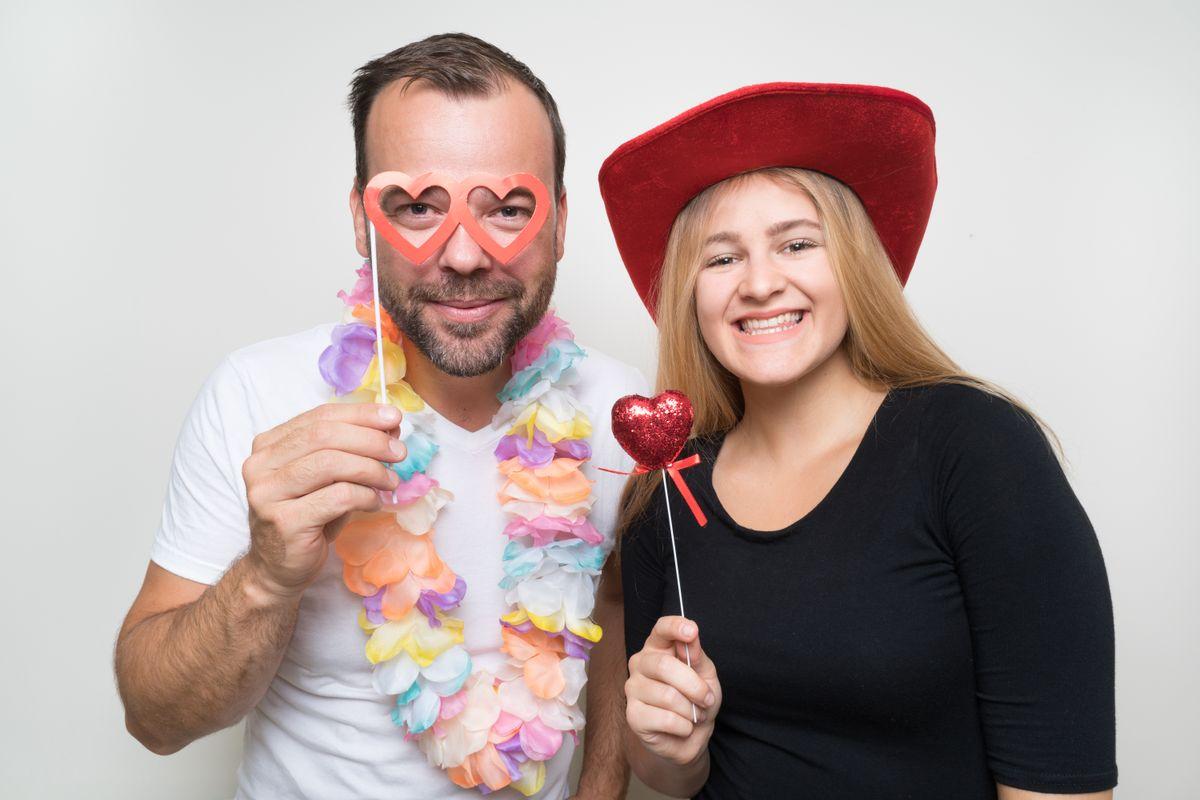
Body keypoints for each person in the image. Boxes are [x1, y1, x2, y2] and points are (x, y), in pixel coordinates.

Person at [115, 33, 642, 800]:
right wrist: (266, 576)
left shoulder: (618, 411)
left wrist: (601, 788)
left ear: (560, 221)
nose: (463, 257)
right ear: (362, 220)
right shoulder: (259, 394)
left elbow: (617, 621)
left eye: (508, 208)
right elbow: (154, 721)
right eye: (418, 207)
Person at [597, 83, 1117, 799]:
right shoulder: (666, 495)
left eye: (797, 244)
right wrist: (669, 744)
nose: (759, 283)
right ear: (690, 294)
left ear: (854, 264)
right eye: (721, 259)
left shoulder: (977, 450)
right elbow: (670, 777)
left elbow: (1062, 783)